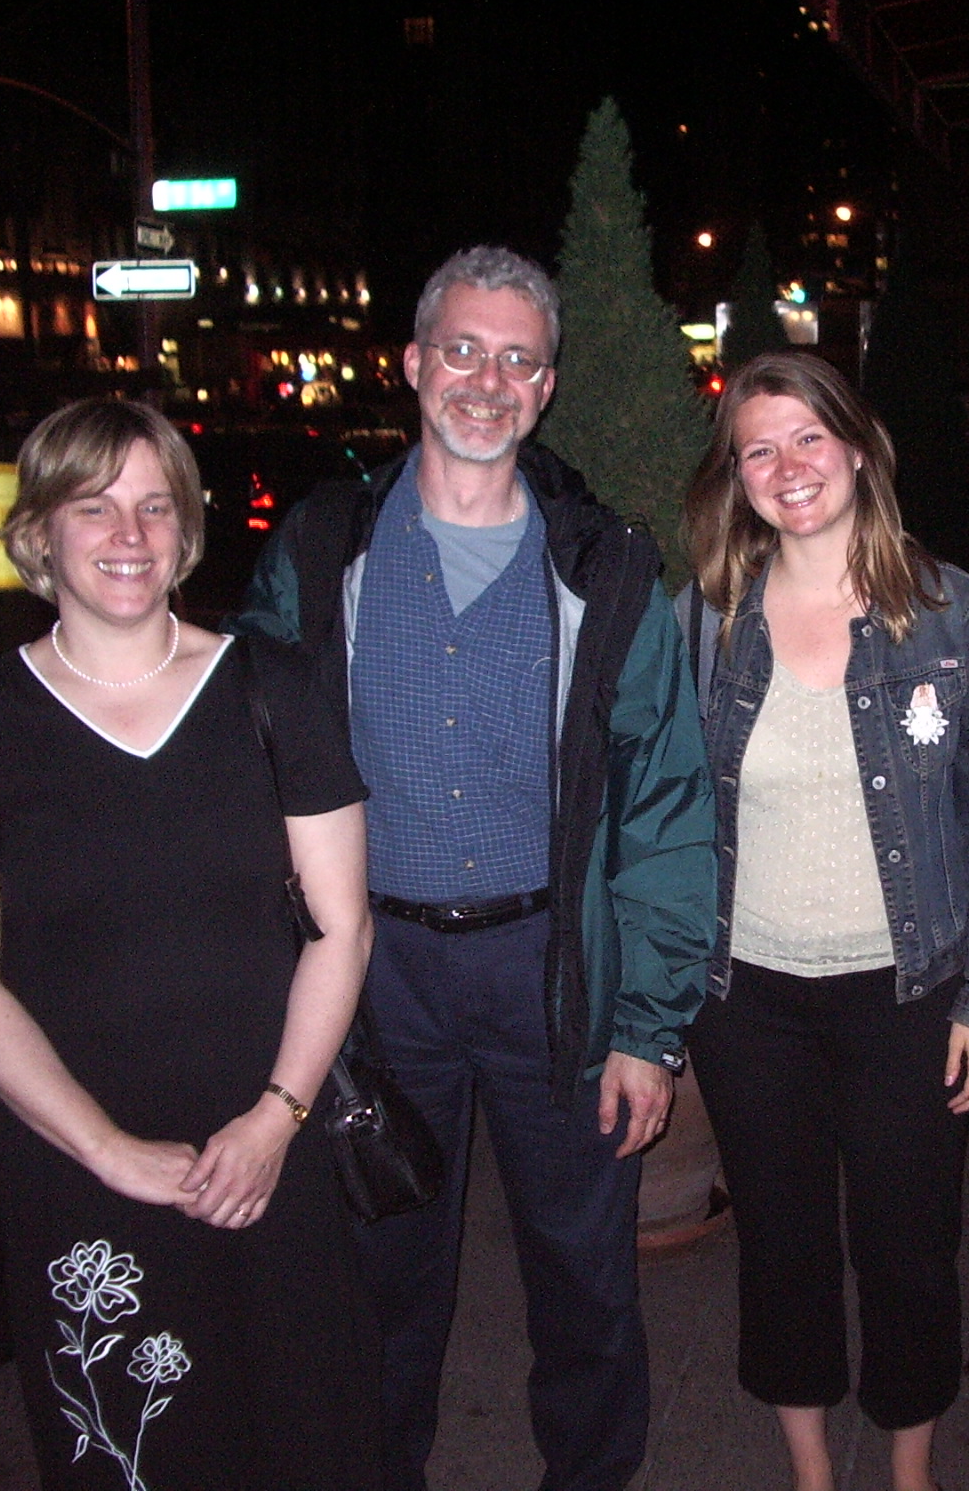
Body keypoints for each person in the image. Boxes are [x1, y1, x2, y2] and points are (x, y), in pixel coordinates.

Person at [234, 245, 716, 1491]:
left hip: (548, 971)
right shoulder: (323, 545)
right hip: (375, 972)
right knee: (381, 1275)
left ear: (546, 386)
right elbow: (246, 752)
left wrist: (649, 1029)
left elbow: (665, 803)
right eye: (462, 348)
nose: (486, 380)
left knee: (583, 1277)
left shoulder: (604, 567)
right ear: (410, 362)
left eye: (515, 359)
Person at [0, 397, 379, 1489]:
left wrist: (275, 1119)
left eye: (154, 506)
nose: (128, 534)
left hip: (271, 1143)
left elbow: (343, 928)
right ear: (39, 533)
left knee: (308, 1433)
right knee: (136, 1447)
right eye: (94, 506)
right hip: (77, 1161)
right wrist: (107, 1150)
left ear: (188, 530)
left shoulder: (275, 690)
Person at [679, 352, 969, 1491]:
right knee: (781, 1249)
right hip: (748, 1001)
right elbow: (659, 815)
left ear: (856, 447)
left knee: (909, 1249)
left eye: (806, 438)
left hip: (908, 992)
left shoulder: (944, 608)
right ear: (735, 476)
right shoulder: (704, 621)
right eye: (758, 449)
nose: (787, 468)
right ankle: (808, 1470)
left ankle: (908, 1467)